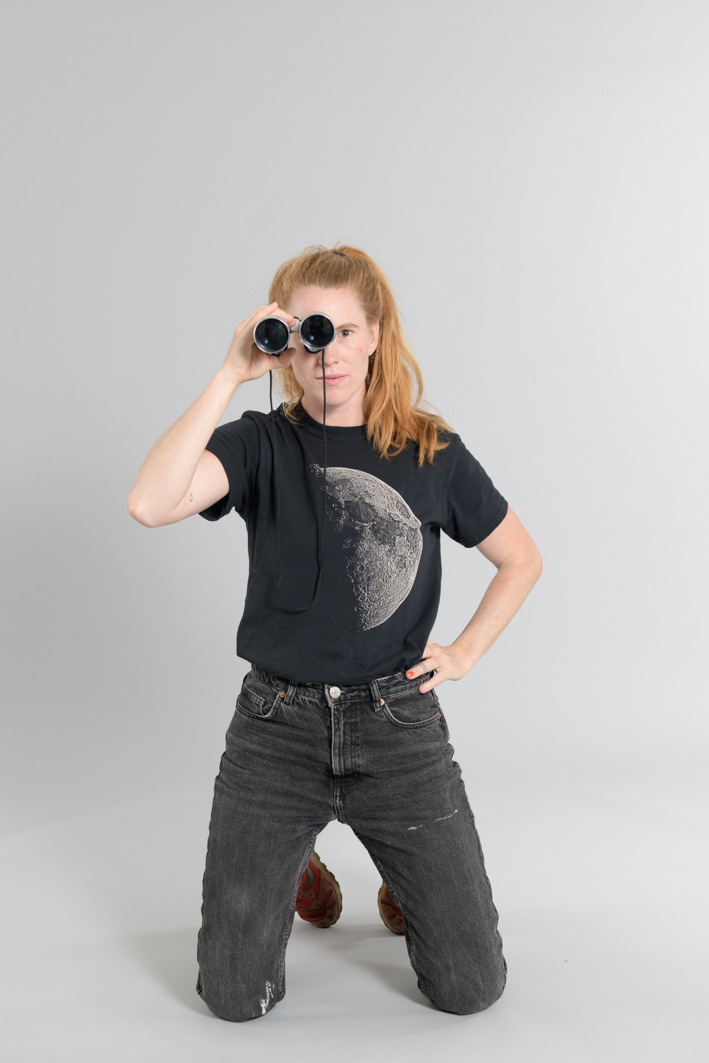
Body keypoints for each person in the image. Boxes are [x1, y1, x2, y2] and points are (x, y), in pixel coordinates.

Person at [126, 244, 542, 1022]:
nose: (328, 353)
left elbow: (520, 558)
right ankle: (299, 864)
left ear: (376, 334)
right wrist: (229, 373)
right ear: (281, 343)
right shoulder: (258, 442)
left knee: (470, 988)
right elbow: (149, 503)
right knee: (233, 998)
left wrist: (463, 652)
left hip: (396, 724)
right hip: (275, 729)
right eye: (307, 333)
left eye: (343, 330)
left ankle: (402, 874)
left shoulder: (430, 450)